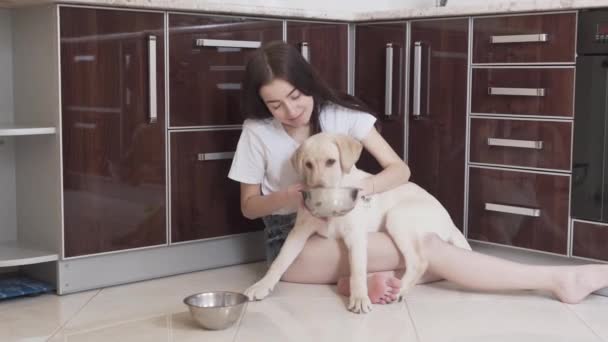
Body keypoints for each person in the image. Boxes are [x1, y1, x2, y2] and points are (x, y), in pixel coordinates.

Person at [228, 40, 608, 305]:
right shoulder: (256, 132)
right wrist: (291, 197)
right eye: (276, 105)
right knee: (423, 251)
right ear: (263, 105)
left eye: (296, 96)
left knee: (423, 245)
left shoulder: (342, 119)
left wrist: (366, 188)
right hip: (296, 244)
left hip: (356, 224)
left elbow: (400, 170)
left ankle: (556, 279)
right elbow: (249, 207)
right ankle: (383, 276)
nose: (291, 111)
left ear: (308, 84)